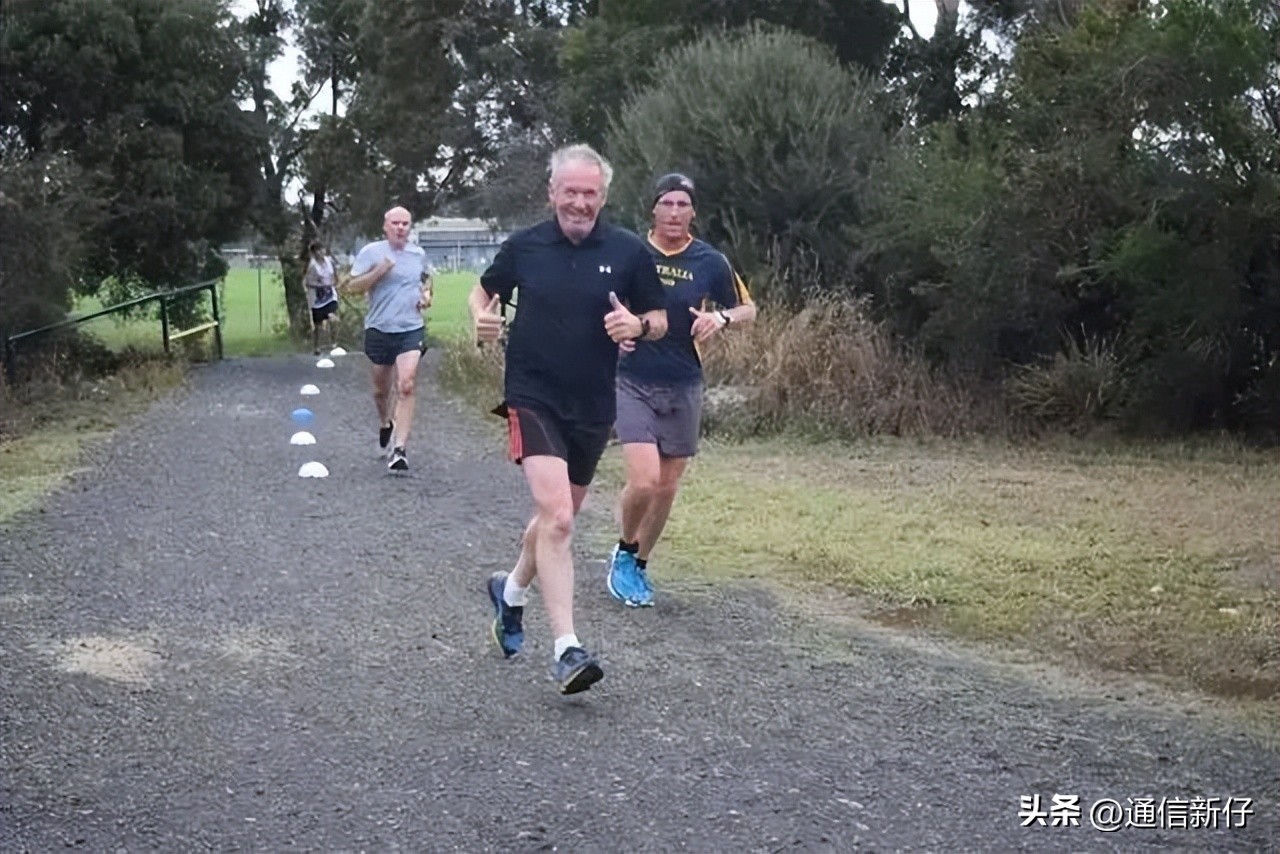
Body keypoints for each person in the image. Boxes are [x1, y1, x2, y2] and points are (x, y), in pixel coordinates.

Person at [471, 143, 668, 695]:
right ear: (552, 192)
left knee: (558, 517)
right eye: (570, 192)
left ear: (603, 196)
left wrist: (639, 327)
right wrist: (481, 320)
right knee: (558, 517)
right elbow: (482, 293)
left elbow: (656, 316)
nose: (580, 203)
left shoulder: (628, 251)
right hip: (532, 395)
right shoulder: (526, 246)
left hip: (593, 403)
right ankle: (566, 649)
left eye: (590, 193)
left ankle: (509, 594)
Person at [605, 173, 756, 608]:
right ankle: (624, 550)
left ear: (693, 212)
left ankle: (640, 563)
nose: (674, 212)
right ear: (652, 208)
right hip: (630, 377)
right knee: (644, 479)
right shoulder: (628, 251)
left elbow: (748, 308)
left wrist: (720, 319)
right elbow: (599, 301)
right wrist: (615, 330)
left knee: (667, 486)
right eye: (666, 203)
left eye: (682, 205)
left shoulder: (711, 260)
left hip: (684, 380)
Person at [341, 206, 434, 472]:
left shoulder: (418, 254)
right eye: (395, 223)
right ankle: (385, 422)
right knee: (381, 390)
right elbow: (351, 287)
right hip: (380, 328)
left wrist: (426, 296)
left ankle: (399, 449)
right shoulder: (371, 252)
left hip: (410, 328)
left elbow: (425, 281)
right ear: (385, 226)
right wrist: (379, 271)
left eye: (405, 223)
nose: (401, 228)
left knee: (406, 384)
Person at [303, 241, 340, 355]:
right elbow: (307, 282)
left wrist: (335, 284)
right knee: (318, 324)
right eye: (317, 251)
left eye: (321, 250)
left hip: (330, 295)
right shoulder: (312, 265)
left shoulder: (330, 261)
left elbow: (335, 275)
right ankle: (317, 347)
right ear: (314, 253)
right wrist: (319, 285)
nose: (320, 253)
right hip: (317, 297)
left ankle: (334, 343)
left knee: (333, 318)